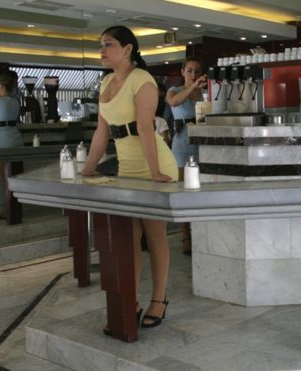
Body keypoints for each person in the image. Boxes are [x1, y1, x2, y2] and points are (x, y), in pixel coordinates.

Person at [81, 25, 177, 330]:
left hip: (153, 162)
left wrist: (156, 173)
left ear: (128, 49)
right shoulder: (107, 81)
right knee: (129, 238)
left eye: (108, 44)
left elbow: (146, 129)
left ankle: (159, 299)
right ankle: (130, 300)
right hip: (126, 167)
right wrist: (88, 167)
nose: (102, 50)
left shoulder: (142, 80)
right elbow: (102, 131)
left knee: (154, 234)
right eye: (101, 45)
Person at [166, 57, 207, 255]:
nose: (193, 75)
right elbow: (175, 102)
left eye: (197, 71)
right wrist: (192, 88)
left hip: (201, 144)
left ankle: (200, 231)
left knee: (201, 190)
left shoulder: (205, 93)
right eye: (189, 71)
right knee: (183, 191)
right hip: (182, 143)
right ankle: (185, 234)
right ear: (182, 72)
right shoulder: (174, 91)